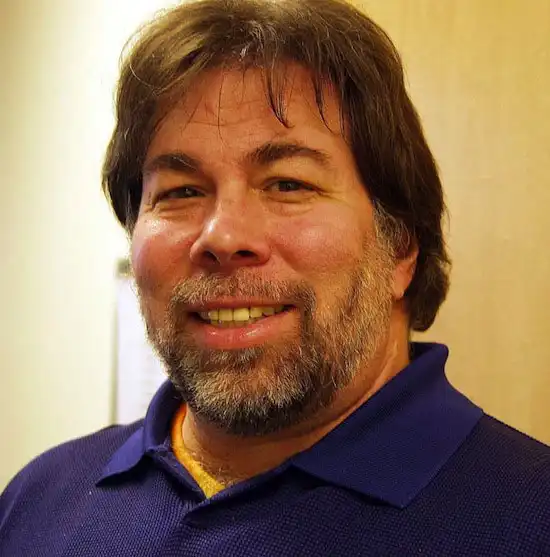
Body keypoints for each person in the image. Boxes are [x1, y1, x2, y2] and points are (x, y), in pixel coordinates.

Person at [1, 0, 549, 555]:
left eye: (288, 184)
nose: (222, 235)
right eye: (181, 192)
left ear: (401, 248)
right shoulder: (37, 501)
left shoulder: (530, 519)